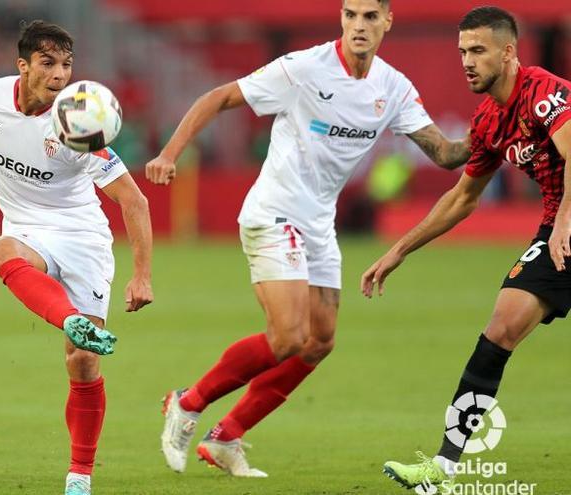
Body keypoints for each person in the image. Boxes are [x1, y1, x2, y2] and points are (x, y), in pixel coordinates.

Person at [148, 0, 471, 477]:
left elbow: (444, 153)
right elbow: (218, 96)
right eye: (350, 15)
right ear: (342, 18)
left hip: (318, 222)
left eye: (369, 16)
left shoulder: (393, 87)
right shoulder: (303, 69)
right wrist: (169, 153)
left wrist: (493, 133)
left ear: (388, 21)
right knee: (288, 336)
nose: (358, 26)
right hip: (274, 213)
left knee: (318, 341)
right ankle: (188, 402)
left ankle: (227, 437)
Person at [0, 20, 153, 495]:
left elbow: (134, 201)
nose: (60, 74)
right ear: (23, 65)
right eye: (48, 63)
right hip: (25, 230)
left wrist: (142, 276)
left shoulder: (78, 122)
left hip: (82, 238)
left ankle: (79, 476)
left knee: (82, 363)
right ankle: (70, 319)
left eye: (66, 64)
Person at [362, 6, 571, 491]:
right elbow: (462, 196)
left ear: (509, 52)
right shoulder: (490, 120)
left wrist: (565, 220)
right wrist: (400, 250)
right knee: (500, 329)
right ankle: (444, 467)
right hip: (559, 230)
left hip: (565, 223)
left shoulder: (544, 92)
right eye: (462, 51)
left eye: (478, 50)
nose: (467, 61)